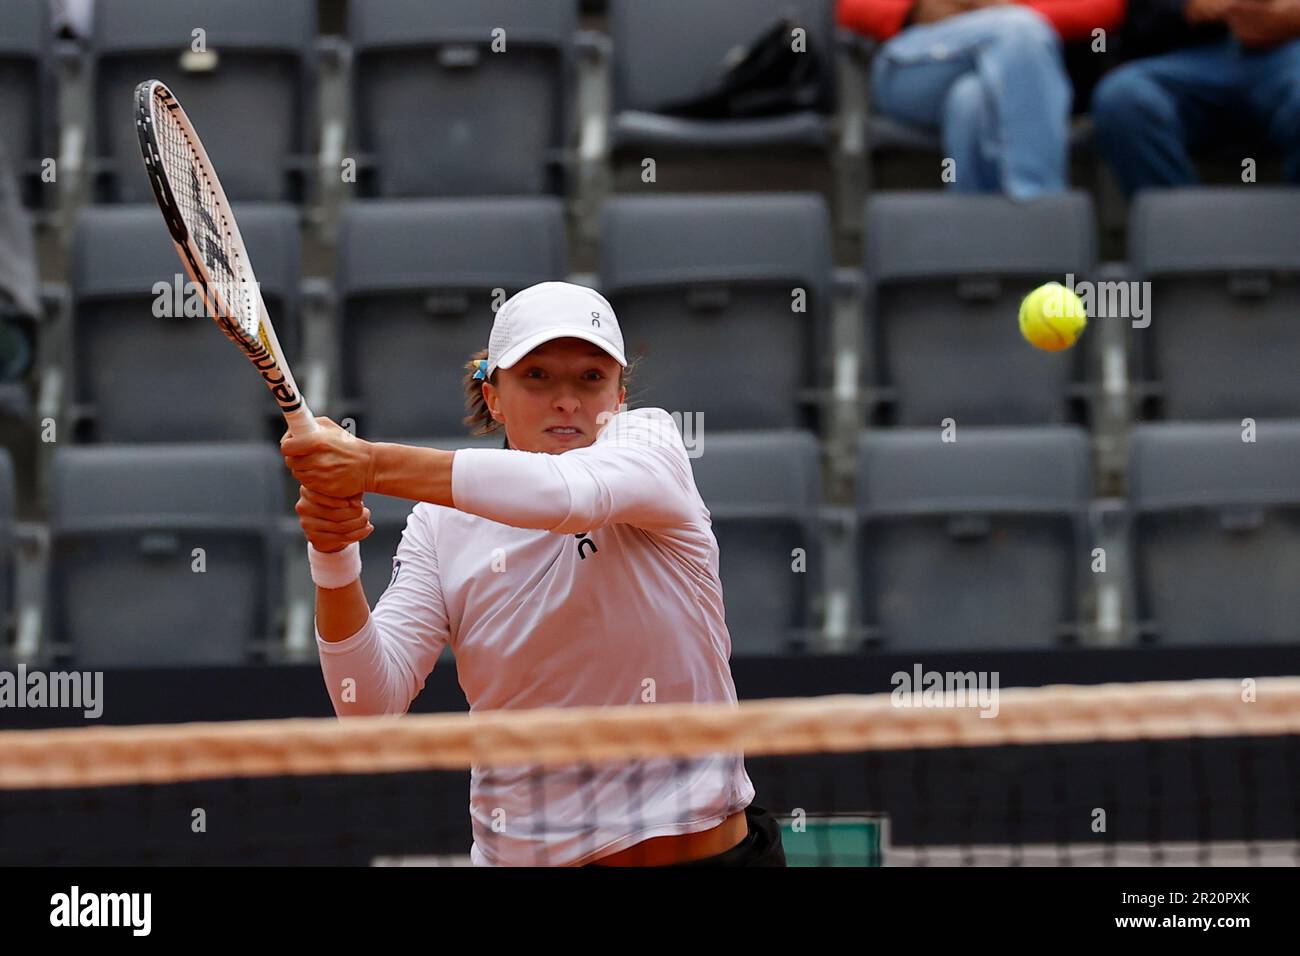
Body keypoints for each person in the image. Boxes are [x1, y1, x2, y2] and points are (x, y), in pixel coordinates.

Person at [280, 281, 786, 867]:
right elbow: (365, 705)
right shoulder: (439, 526)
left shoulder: (652, 447)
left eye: (590, 378)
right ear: (492, 395)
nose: (566, 400)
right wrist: (332, 553)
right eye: (537, 377)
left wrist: (370, 465)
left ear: (619, 395)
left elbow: (566, 495)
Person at [838, 0, 1125, 196]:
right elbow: (851, 6)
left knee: (971, 100)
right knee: (1019, 30)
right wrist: (916, 7)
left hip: (1024, 60)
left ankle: (979, 255)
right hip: (915, 65)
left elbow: (1104, 7)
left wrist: (1002, 9)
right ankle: (1039, 207)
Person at [1091, 0, 1300, 194]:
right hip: (1188, 57)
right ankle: (1179, 226)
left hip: (1288, 54)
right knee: (1123, 97)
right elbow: (1138, 19)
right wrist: (1186, 8)